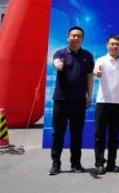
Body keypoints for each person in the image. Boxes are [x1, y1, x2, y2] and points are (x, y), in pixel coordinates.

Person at [49, 26, 95, 176]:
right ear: (68, 37)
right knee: (58, 133)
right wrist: (57, 64)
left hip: (79, 102)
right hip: (61, 101)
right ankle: (56, 164)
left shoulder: (87, 56)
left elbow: (89, 77)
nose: (76, 38)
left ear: (82, 39)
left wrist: (89, 96)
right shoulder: (60, 53)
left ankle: (76, 163)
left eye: (79, 36)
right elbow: (55, 62)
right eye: (73, 35)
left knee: (76, 134)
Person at [93, 34, 119, 175]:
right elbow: (95, 71)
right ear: (107, 45)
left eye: (117, 44)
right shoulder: (100, 60)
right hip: (103, 102)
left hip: (118, 103)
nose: (114, 46)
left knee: (114, 136)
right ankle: (99, 164)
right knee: (99, 135)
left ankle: (111, 163)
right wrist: (96, 72)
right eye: (112, 44)